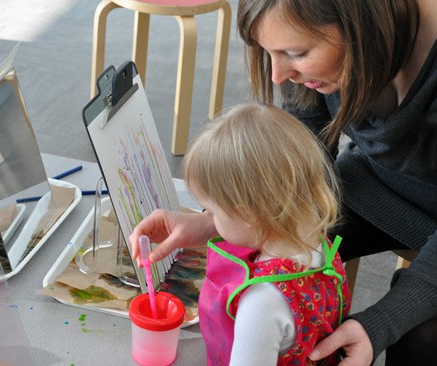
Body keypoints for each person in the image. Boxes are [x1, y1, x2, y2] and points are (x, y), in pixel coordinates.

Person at [130, 0, 437, 364]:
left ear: (359, 23)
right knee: (276, 250)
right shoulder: (302, 44)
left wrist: (379, 324)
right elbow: (300, 157)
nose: (276, 75)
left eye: (296, 52)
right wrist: (216, 221)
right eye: (268, 52)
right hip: (372, 190)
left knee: (422, 338)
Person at [153, 103, 352, 365]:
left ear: (249, 214)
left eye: (212, 212)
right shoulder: (320, 245)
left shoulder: (261, 304)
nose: (209, 218)